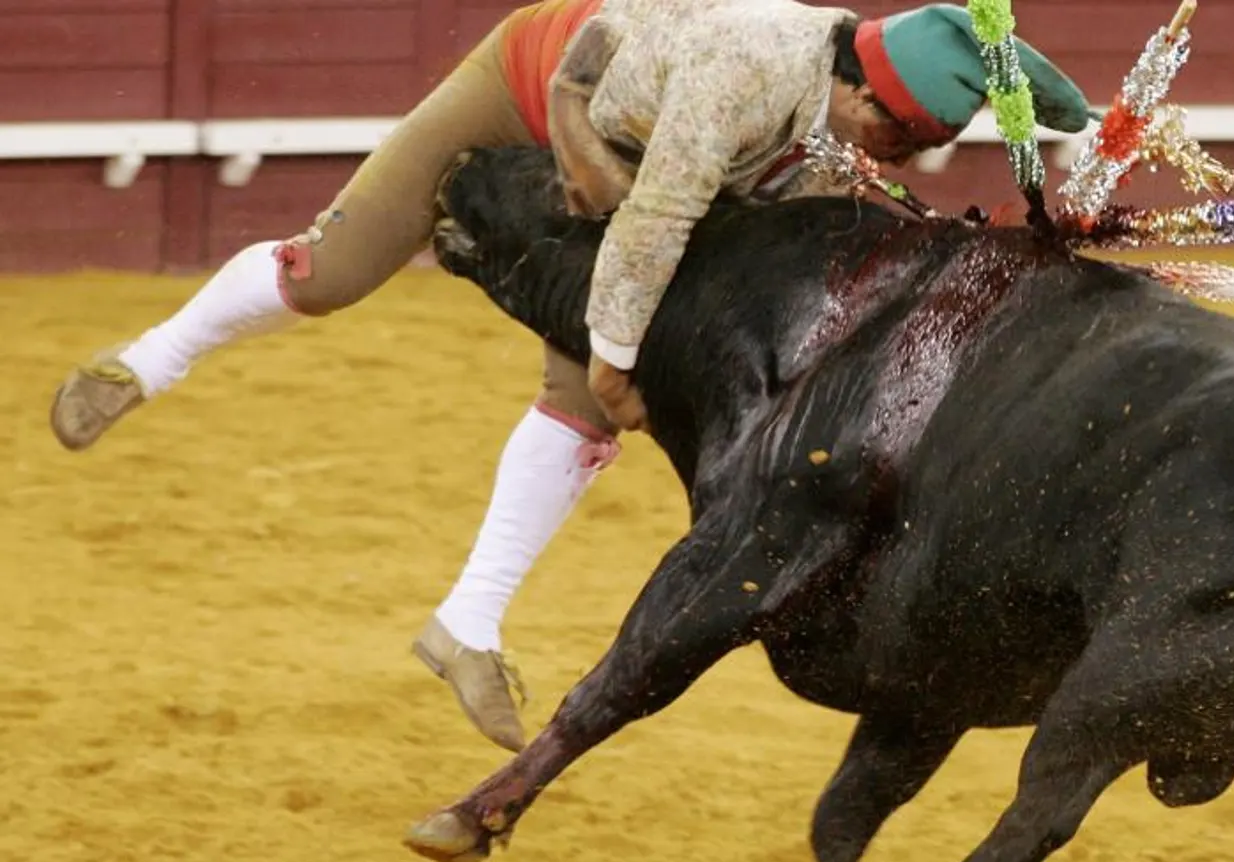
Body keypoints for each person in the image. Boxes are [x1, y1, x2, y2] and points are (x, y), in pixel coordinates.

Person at [48, 0, 1092, 752]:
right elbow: (654, 220)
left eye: (925, 142)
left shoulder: (844, 109)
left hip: (638, 173)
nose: (903, 154)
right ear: (858, 86)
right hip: (528, 89)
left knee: (584, 404)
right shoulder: (748, 74)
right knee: (331, 272)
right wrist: (620, 356)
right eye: (899, 132)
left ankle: (466, 624)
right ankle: (150, 359)